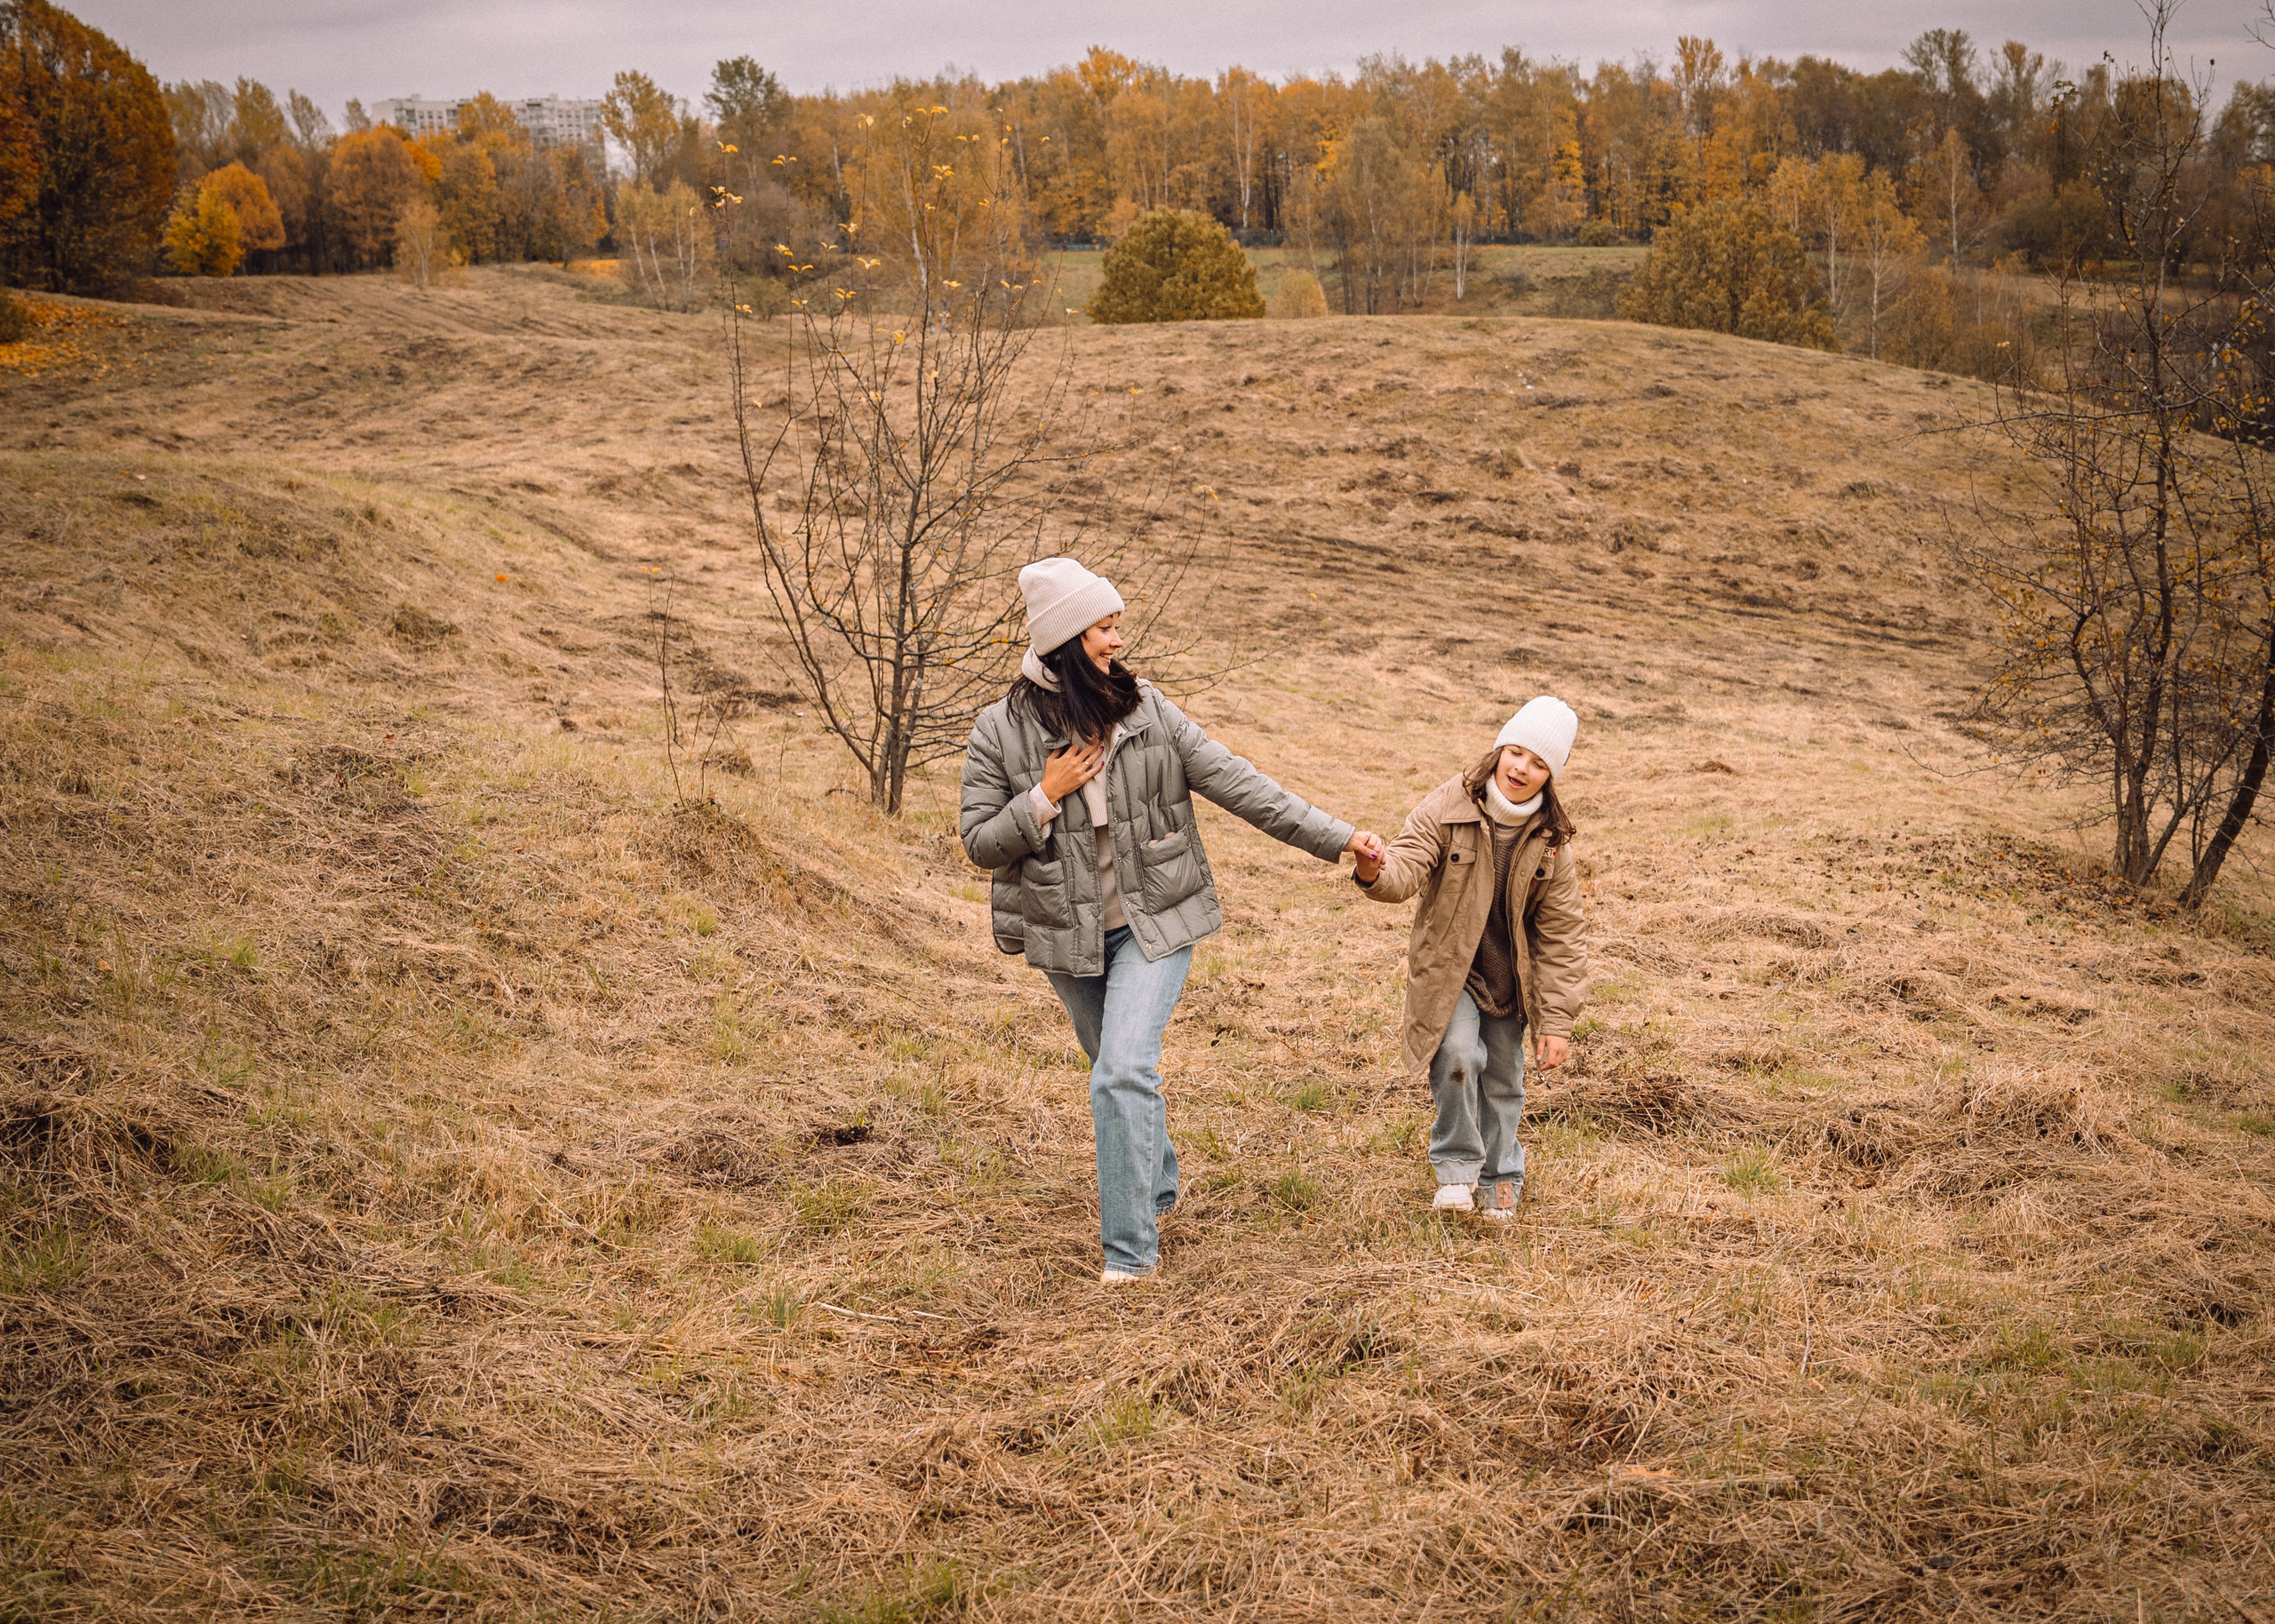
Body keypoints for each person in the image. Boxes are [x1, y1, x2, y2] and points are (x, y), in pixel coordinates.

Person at [960, 557, 1385, 1285]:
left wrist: (1339, 838)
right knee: (1115, 1073)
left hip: (1156, 919)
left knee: (1122, 1071)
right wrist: (1044, 795)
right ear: (1065, 637)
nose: (1117, 639)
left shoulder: (1147, 710)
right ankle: (1155, 1186)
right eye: (1104, 626)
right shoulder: (997, 732)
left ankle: (1130, 1256)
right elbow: (978, 843)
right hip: (1069, 937)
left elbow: (1239, 782)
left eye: (1116, 624)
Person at [1351, 697, 1589, 1222]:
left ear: (1551, 775)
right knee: (1459, 1058)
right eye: (1517, 753)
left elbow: (1561, 936)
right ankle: (1457, 1171)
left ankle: (1501, 1176)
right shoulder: (1448, 806)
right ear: (1501, 748)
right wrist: (1373, 871)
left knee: (1504, 1080)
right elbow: (1405, 867)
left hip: (1511, 978)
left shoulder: (1552, 842)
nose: (1522, 769)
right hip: (1451, 971)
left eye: (1539, 763)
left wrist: (1558, 1022)